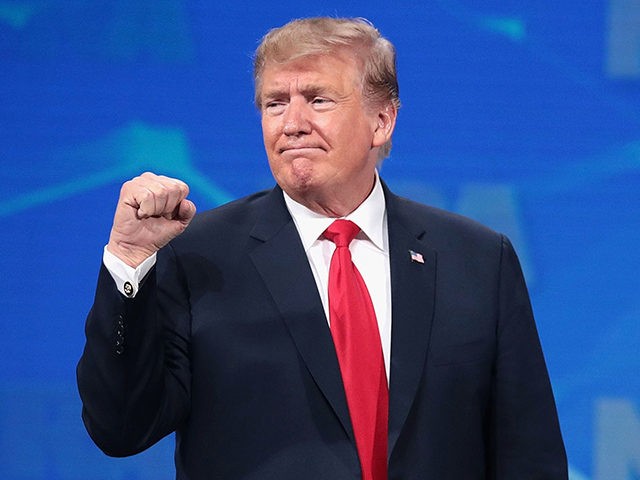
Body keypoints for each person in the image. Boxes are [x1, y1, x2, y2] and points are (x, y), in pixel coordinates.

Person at [77, 17, 568, 480]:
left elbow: (529, 456)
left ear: (382, 121)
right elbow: (121, 429)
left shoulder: (477, 260)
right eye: (274, 103)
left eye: (318, 100)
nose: (291, 123)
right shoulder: (199, 256)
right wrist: (128, 262)